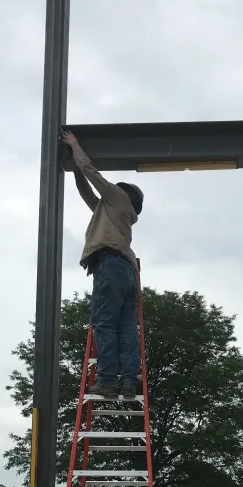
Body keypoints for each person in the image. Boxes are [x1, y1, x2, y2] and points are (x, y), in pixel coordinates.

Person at [63, 130, 144, 400]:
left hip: (110, 265)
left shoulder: (118, 198)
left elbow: (92, 174)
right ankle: (130, 383)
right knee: (125, 328)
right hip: (127, 271)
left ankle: (108, 380)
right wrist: (75, 170)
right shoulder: (111, 211)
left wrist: (75, 147)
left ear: (125, 195)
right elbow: (87, 191)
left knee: (105, 324)